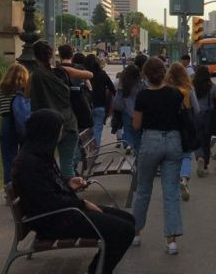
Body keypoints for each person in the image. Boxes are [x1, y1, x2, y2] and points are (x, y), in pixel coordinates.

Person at [12, 109, 135, 274]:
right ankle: (97, 271)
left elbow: (46, 190)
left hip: (63, 213)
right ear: (46, 132)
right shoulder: (30, 164)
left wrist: (68, 183)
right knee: (124, 230)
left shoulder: (37, 154)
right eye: (58, 131)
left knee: (128, 220)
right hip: (53, 221)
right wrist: (82, 203)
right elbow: (47, 201)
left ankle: (99, 268)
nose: (60, 135)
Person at [132, 57, 184, 254]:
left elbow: (137, 125)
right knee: (171, 191)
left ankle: (136, 233)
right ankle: (171, 240)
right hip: (173, 141)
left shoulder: (142, 96)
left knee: (143, 189)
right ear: (164, 73)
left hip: (150, 141)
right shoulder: (175, 94)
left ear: (145, 75)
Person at [28, 41, 92, 176]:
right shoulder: (61, 71)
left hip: (51, 126)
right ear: (51, 56)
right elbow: (89, 75)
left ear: (35, 57)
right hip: (69, 123)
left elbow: (30, 98)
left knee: (46, 163)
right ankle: (69, 193)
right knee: (67, 165)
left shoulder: (37, 76)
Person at [164, 63, 199, 201]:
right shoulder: (188, 89)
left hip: (170, 127)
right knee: (186, 155)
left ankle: (173, 184)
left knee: (172, 158)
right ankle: (183, 179)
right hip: (185, 126)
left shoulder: (166, 89)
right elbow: (197, 110)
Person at [0, 63, 29, 185]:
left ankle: (10, 189)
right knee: (25, 158)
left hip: (7, 123)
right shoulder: (26, 89)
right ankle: (24, 187)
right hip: (24, 123)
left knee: (8, 160)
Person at [192, 65, 216, 177]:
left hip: (195, 116)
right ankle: (205, 165)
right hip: (208, 117)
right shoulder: (212, 86)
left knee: (196, 140)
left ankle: (199, 157)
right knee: (206, 141)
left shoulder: (192, 86)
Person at [84, 54, 116, 151]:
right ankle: (95, 151)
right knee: (97, 128)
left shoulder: (84, 74)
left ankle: (84, 152)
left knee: (86, 130)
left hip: (86, 106)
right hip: (100, 105)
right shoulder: (102, 74)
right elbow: (112, 88)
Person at [113, 65, 144, 154]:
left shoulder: (123, 85)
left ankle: (129, 144)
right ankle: (137, 151)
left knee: (127, 130)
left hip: (126, 112)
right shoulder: (141, 84)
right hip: (139, 113)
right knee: (138, 134)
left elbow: (117, 103)